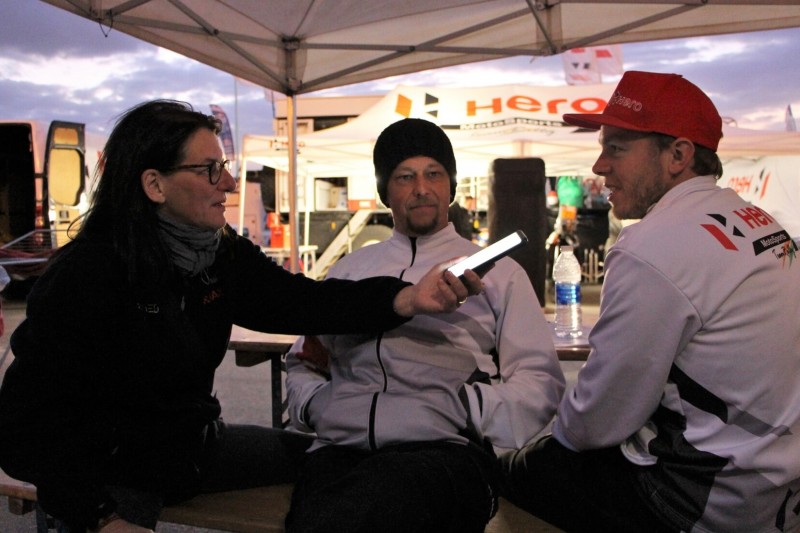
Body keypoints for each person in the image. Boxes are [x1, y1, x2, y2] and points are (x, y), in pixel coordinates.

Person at [0, 101, 483, 533]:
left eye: (224, 166)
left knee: (332, 458)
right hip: (107, 474)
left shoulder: (218, 254)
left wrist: (409, 299)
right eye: (210, 170)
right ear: (154, 185)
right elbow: (28, 428)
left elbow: (302, 301)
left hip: (191, 451)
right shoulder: (89, 275)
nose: (230, 183)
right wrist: (102, 517)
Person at [501, 71, 800, 532]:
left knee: (508, 469)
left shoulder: (653, 247)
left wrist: (527, 445)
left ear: (678, 155)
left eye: (617, 147)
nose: (599, 166)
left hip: (706, 499)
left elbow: (595, 421)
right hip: (778, 482)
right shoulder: (759, 221)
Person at [284, 118, 565, 533]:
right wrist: (317, 406)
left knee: (372, 505)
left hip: (450, 453)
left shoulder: (499, 274)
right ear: (385, 191)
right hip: (341, 450)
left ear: (450, 185)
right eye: (405, 176)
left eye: (434, 173)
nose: (421, 188)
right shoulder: (349, 271)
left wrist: (465, 408)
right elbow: (304, 361)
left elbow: (541, 382)